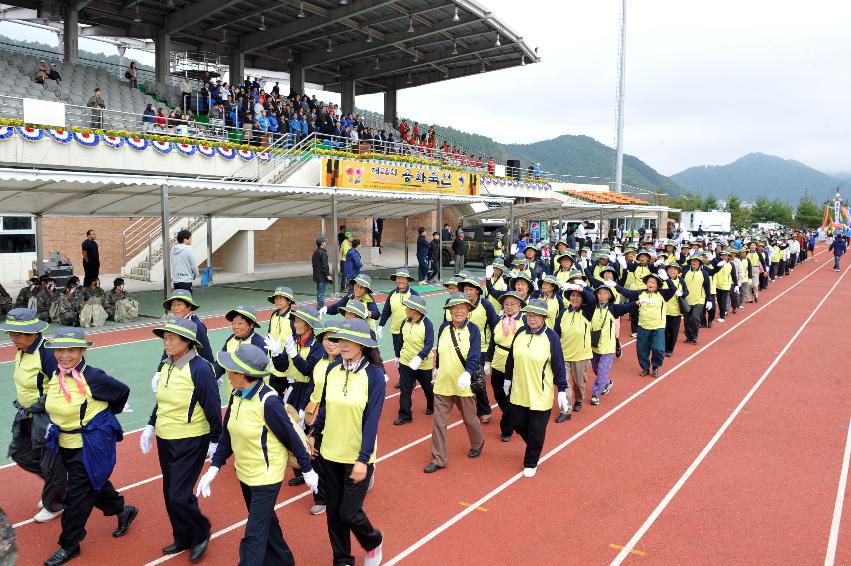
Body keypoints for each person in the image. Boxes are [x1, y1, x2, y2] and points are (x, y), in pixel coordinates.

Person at [197, 344, 318, 566]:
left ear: (243, 374)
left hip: (266, 478)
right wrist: (214, 468)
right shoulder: (237, 395)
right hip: (245, 474)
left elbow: (291, 436)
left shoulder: (268, 401)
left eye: (231, 369)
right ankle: (284, 561)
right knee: (266, 522)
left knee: (254, 535)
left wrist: (307, 470)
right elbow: (228, 435)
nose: (227, 373)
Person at [42, 328, 138, 566]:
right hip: (65, 443)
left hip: (89, 446)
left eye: (71, 350)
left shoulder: (93, 377)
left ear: (83, 351)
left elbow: (121, 391)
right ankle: (122, 510)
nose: (65, 355)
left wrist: (105, 415)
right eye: (60, 350)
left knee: (76, 497)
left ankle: (69, 545)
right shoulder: (56, 374)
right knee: (94, 483)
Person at [140, 317, 220, 561]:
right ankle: (182, 537)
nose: (166, 341)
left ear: (187, 341)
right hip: (166, 437)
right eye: (165, 337)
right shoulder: (167, 365)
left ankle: (201, 532)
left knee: (178, 494)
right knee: (169, 493)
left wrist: (216, 441)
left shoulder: (200, 368)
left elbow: (213, 407)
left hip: (191, 439)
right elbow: (161, 401)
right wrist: (150, 426)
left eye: (172, 337)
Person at [308, 319, 385, 566]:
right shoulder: (332, 370)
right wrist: (313, 433)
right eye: (340, 339)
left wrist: (363, 459)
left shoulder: (374, 375)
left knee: (349, 512)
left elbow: (372, 420)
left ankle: (373, 541)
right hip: (329, 453)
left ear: (363, 344)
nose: (343, 344)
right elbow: (325, 409)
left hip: (356, 457)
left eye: (349, 340)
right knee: (333, 513)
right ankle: (342, 559)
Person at [1, 309, 66, 523]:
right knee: (20, 453)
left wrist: (41, 406)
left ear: (33, 333)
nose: (13, 338)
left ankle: (55, 503)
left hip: (46, 417)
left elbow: (62, 386)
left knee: (51, 462)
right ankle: (56, 485)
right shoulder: (23, 349)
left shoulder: (47, 353)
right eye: (11, 333)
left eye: (17, 334)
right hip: (26, 414)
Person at [504, 299, 568, 477]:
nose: (531, 318)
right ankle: (535, 444)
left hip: (540, 393)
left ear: (544, 317)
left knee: (536, 429)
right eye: (529, 315)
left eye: (535, 315)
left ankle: (531, 461)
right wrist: (507, 378)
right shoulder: (520, 333)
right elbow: (512, 357)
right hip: (519, 390)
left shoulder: (551, 337)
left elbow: (559, 364)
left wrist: (562, 389)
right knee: (517, 423)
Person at [425, 293, 485, 473]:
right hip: (443, 383)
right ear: (449, 311)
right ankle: (439, 458)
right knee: (438, 422)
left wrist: (467, 373)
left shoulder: (473, 329)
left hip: (463, 384)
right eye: (454, 308)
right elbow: (441, 352)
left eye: (462, 307)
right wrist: (436, 369)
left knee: (469, 418)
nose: (458, 311)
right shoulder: (443, 327)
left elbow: (474, 354)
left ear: (468, 310)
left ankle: (478, 442)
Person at [613, 270, 677, 377]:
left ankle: (655, 366)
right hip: (643, 327)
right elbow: (627, 292)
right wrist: (615, 285)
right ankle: (645, 368)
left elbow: (673, 289)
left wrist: (667, 279)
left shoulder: (663, 294)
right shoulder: (640, 293)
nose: (650, 284)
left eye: (653, 282)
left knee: (659, 349)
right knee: (642, 350)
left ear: (658, 284)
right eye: (649, 282)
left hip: (658, 327)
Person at [486, 291, 526, 442]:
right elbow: (492, 342)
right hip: (497, 361)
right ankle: (513, 415)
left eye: (513, 304)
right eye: (506, 304)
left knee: (511, 395)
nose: (509, 307)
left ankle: (507, 428)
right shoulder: (499, 320)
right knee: (498, 393)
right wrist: (487, 360)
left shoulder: (524, 322)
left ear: (520, 306)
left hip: (515, 363)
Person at [588, 280, 635, 405]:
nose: (602, 296)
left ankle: (595, 394)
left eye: (605, 293)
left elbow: (627, 307)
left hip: (607, 346)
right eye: (600, 293)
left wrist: (639, 302)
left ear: (609, 296)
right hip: (593, 345)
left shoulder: (614, 308)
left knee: (602, 370)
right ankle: (607, 382)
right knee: (595, 368)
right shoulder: (591, 308)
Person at [457, 274, 497, 422]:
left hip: (481, 349)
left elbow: (495, 329)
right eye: (465, 289)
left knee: (477, 380)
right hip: (461, 348)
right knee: (463, 378)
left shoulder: (486, 305)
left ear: (478, 291)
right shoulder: (460, 305)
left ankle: (485, 410)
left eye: (470, 289)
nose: (467, 292)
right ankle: (470, 407)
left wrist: (489, 357)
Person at [555, 281, 595, 417]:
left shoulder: (586, 312)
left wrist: (580, 288)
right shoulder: (563, 313)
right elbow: (556, 332)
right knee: (564, 383)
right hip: (564, 355)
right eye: (572, 295)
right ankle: (566, 409)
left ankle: (579, 399)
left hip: (581, 355)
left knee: (579, 383)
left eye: (578, 296)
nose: (575, 298)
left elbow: (592, 299)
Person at [394, 295, 435, 425]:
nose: (405, 309)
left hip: (423, 363)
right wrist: (397, 356)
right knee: (405, 389)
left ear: (416, 310)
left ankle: (431, 404)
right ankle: (405, 415)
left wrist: (419, 357)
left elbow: (429, 344)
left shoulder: (427, 324)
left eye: (408, 307)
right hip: (406, 362)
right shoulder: (404, 322)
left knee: (427, 387)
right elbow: (400, 340)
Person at [217, 306, 267, 398]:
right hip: (232, 393)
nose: (235, 327)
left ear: (251, 324)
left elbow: (258, 373)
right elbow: (221, 364)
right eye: (234, 323)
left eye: (240, 323)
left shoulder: (259, 343)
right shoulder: (231, 339)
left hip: (252, 396)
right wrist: (210, 377)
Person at [159, 289, 216, 369]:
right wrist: (159, 370)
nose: (175, 308)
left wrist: (211, 373)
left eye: (179, 304)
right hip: (175, 367)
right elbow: (167, 349)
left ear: (189, 306)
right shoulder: (173, 322)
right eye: (173, 305)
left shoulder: (197, 326)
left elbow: (205, 353)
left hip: (192, 369)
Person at [379, 268, 420, 377]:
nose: (400, 281)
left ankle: (411, 379)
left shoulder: (414, 295)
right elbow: (386, 310)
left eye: (403, 278)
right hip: (396, 331)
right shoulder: (392, 294)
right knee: (398, 356)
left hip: (410, 332)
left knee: (409, 355)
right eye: (398, 278)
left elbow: (420, 313)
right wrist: (380, 325)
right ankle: (403, 378)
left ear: (407, 280)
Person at [682, 254, 712, 344]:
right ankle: (688, 337)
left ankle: (694, 336)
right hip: (687, 300)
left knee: (694, 318)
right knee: (687, 320)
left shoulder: (704, 273)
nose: (694, 262)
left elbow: (707, 287)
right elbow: (681, 285)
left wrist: (709, 300)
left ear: (699, 263)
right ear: (690, 262)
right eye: (692, 261)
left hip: (699, 300)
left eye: (696, 261)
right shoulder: (685, 272)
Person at [662, 263, 689, 358]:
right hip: (663, 311)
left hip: (676, 311)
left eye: (675, 269)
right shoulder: (662, 280)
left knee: (673, 332)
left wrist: (681, 293)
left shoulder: (681, 280)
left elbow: (686, 292)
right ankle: (664, 347)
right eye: (670, 269)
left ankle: (670, 349)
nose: (672, 271)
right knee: (664, 331)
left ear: (678, 271)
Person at [312, 235, 332, 309]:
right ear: (322, 243)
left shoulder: (315, 252)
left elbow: (314, 265)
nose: (326, 243)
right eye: (325, 241)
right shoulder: (323, 253)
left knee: (319, 292)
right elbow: (325, 266)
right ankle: (320, 308)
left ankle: (319, 306)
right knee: (321, 293)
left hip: (317, 276)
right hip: (322, 277)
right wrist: (328, 275)